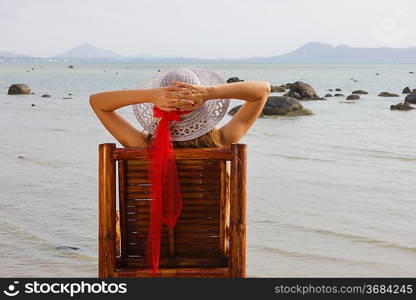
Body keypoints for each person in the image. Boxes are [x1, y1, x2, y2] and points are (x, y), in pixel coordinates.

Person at [90, 67, 270, 275]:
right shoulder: (221, 143)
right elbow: (263, 90)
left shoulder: (140, 145)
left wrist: (150, 96)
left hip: (141, 256)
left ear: (157, 107)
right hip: (209, 252)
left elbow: (97, 102)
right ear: (203, 110)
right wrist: (209, 92)